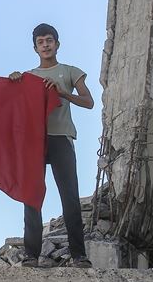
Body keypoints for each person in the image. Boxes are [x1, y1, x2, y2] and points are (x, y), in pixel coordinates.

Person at [9, 23, 94, 268]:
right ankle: (31, 255)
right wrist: (14, 82)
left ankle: (79, 255)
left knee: (69, 197)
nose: (45, 45)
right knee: (32, 196)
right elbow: (14, 104)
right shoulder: (28, 77)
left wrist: (63, 93)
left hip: (61, 138)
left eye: (49, 40)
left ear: (57, 44)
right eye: (40, 42)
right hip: (34, 140)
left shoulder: (70, 71)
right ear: (35, 48)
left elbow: (88, 102)